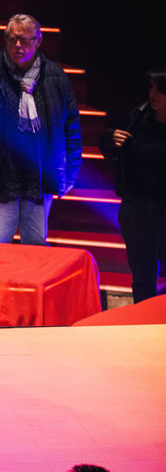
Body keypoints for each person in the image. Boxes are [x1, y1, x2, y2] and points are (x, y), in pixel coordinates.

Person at [0, 13, 82, 245]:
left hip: (40, 175)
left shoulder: (56, 78)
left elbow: (71, 126)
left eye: (24, 39)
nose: (17, 45)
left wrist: (71, 171)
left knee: (36, 244)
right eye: (12, 38)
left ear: (38, 41)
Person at [98, 68, 166, 302]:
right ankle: (144, 320)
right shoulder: (139, 116)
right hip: (137, 208)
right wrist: (109, 139)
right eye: (151, 88)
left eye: (160, 90)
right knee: (142, 277)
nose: (153, 95)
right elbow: (110, 142)